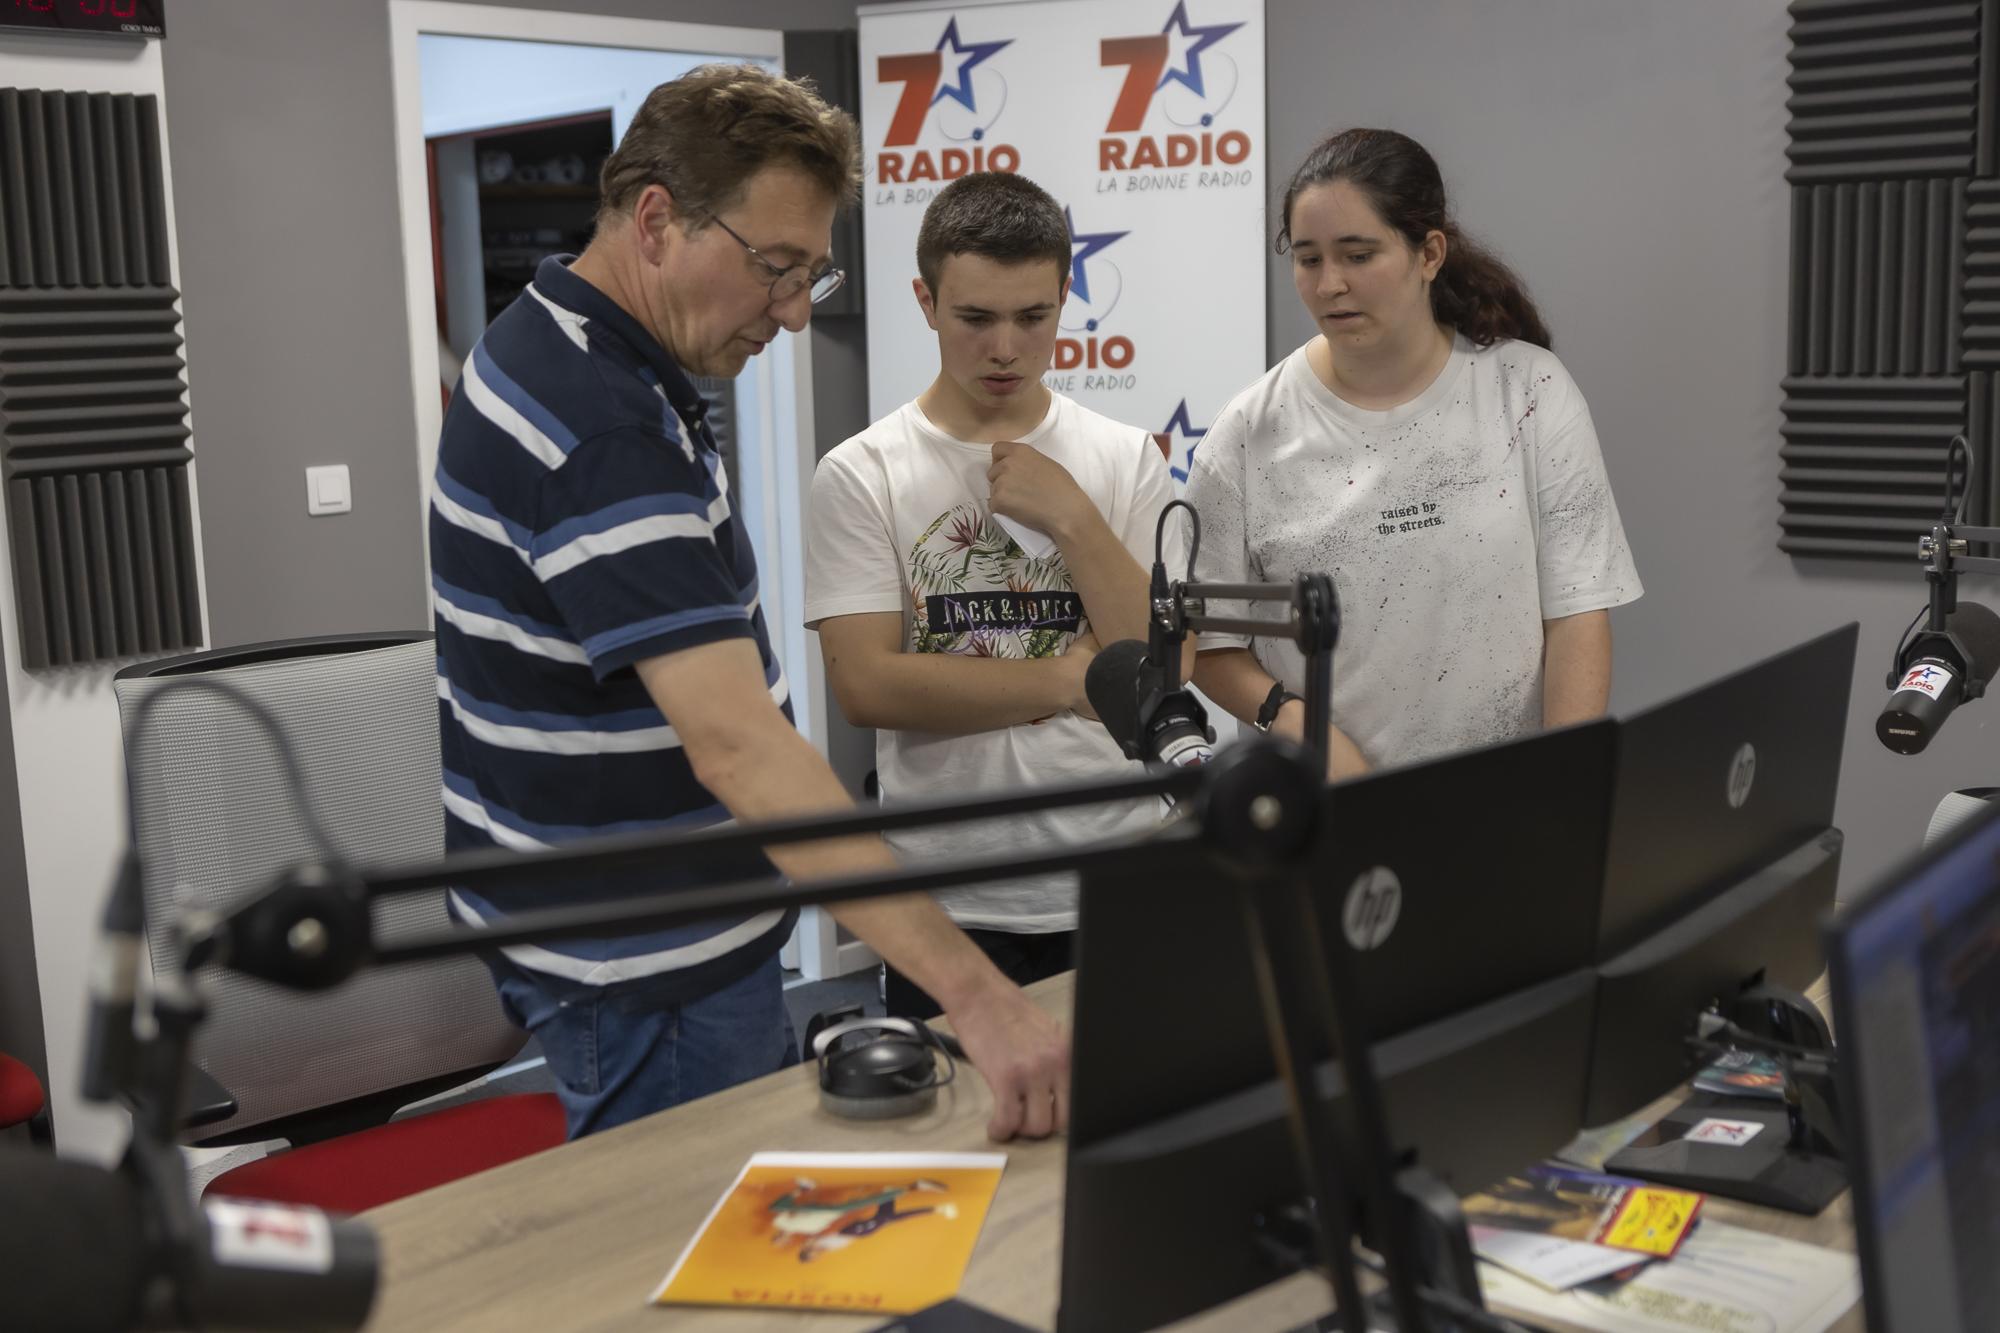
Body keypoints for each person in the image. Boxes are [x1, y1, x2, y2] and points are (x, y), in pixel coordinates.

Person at [429, 67, 1066, 1142]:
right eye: (774, 268)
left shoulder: (550, 336)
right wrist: (977, 994)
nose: (792, 312)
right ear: (655, 221)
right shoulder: (604, 429)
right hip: (650, 965)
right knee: (697, 1238)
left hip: (616, 933)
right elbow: (739, 747)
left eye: (810, 275)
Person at [805, 171, 1183, 1019]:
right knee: (963, 1105)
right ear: (927, 302)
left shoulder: (1124, 457)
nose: (1006, 347)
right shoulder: (862, 471)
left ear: (1064, 297)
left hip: (1118, 866)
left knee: (1120, 1098)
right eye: (976, 318)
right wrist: (1068, 680)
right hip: (950, 889)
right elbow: (869, 685)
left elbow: (1166, 669)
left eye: (1033, 316)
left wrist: (1073, 518)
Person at [1186, 128, 1641, 775]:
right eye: (1309, 259)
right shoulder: (1245, 436)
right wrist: (1300, 727)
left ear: (1429, 253)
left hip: (1503, 798)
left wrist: (1561, 784)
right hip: (1328, 806)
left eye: (1358, 255)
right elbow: (1210, 642)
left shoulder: (1528, 391)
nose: (1330, 284)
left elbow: (1577, 612)